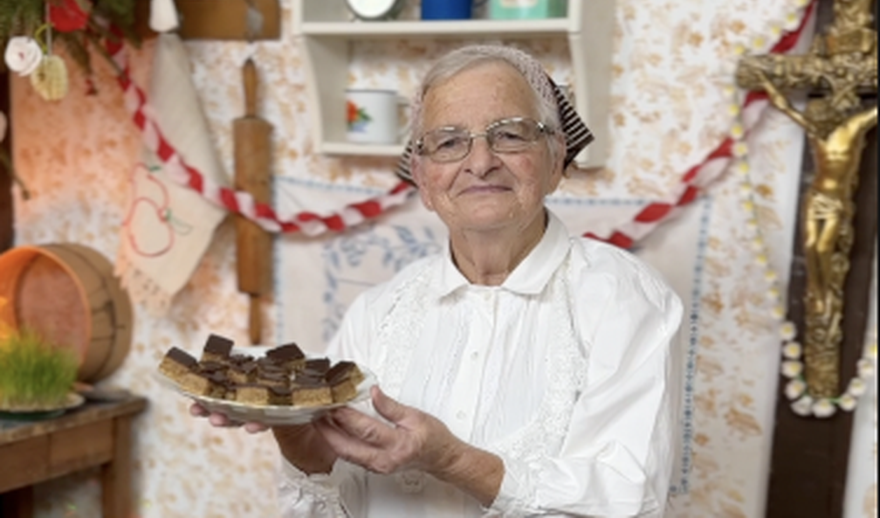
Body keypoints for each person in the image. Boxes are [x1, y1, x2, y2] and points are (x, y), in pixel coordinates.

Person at [193, 44, 684, 517]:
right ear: (424, 181)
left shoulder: (621, 299)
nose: (480, 161)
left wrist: (452, 460)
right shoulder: (378, 312)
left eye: (510, 134)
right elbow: (331, 504)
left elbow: (628, 502)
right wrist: (306, 451)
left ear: (556, 160)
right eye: (449, 142)